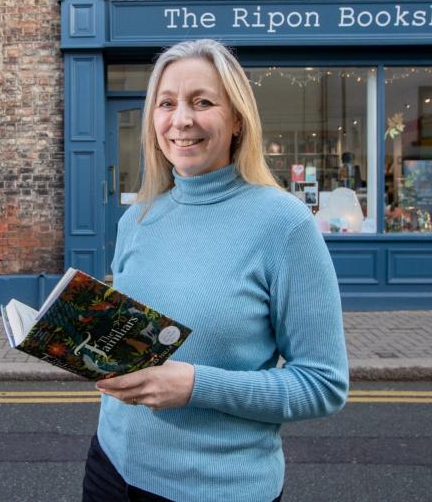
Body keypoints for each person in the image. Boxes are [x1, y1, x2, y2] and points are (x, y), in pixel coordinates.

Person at [83, 39, 349, 502]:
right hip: (111, 466)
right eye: (166, 104)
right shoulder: (139, 218)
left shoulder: (284, 224)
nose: (181, 120)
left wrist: (195, 385)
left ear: (237, 120)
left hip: (216, 488)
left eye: (202, 102)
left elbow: (323, 385)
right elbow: (133, 337)